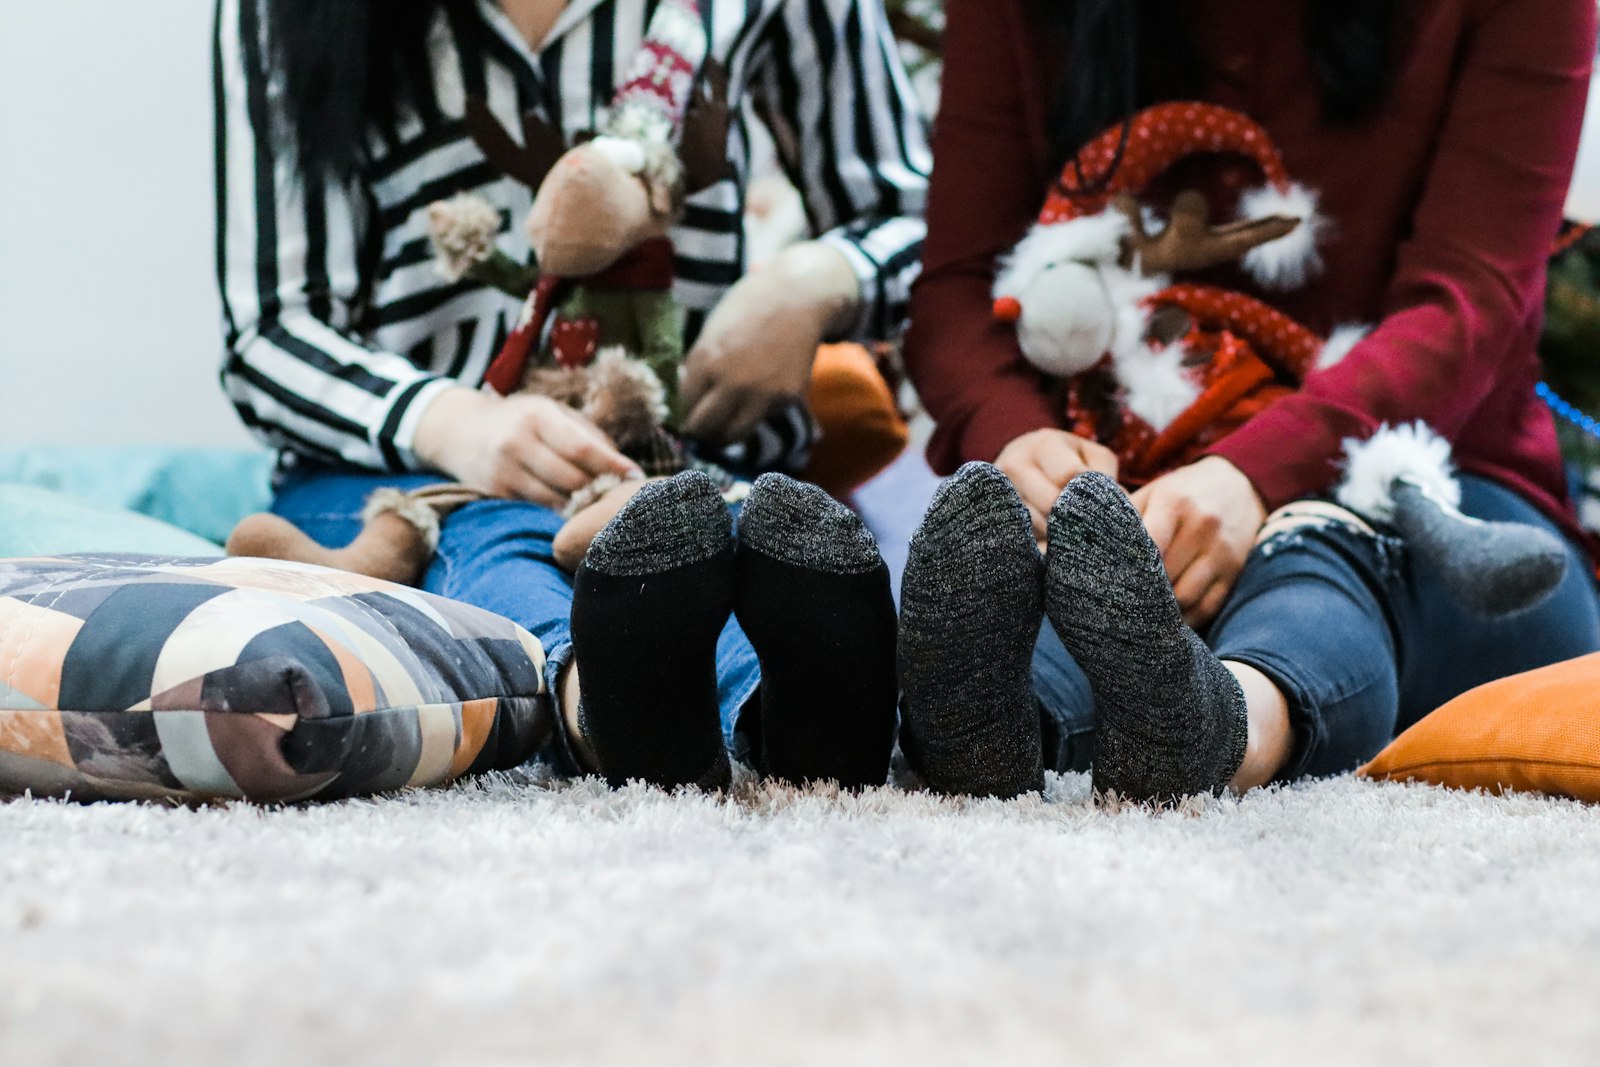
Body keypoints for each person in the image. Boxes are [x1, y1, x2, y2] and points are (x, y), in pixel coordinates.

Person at [896, 0, 1600, 801]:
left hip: (1426, 483)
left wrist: (1253, 474)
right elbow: (957, 285)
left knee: (1318, 554)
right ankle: (993, 726)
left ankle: (1222, 728)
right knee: (1082, 581)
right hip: (1124, 487)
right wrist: (1019, 441)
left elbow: (1468, 305)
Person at [213, 0, 927, 788]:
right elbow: (271, 332)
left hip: (681, 456)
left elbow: (921, 226)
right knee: (498, 537)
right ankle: (618, 705)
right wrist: (457, 424)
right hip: (403, 475)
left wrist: (813, 282)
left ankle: (784, 712)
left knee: (722, 530)